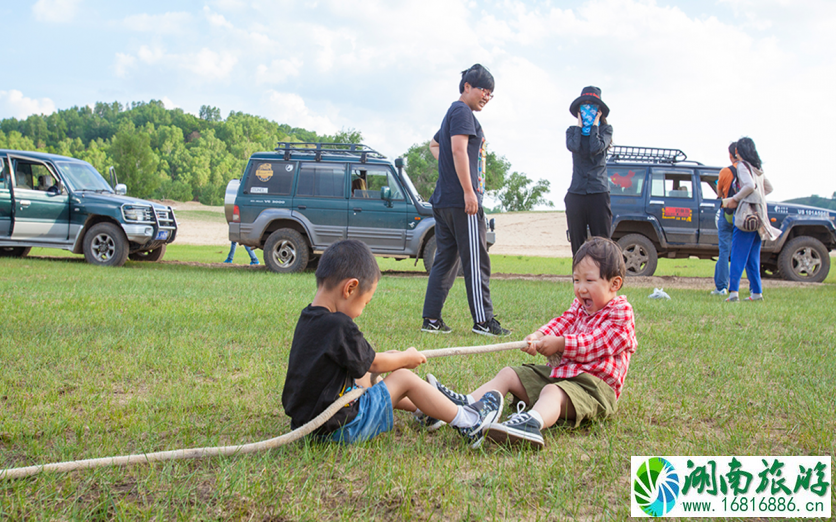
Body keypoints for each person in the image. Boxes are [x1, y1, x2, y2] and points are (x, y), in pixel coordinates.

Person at [281, 239, 504, 448]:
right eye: (365, 302)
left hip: (308, 425)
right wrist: (406, 358)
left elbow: (357, 363)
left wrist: (392, 356)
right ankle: (470, 422)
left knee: (366, 377)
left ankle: (427, 410)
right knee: (403, 378)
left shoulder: (308, 317)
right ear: (350, 288)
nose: (361, 311)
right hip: (339, 428)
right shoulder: (339, 324)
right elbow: (375, 364)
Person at [423, 237, 637, 449]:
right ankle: (467, 407)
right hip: (563, 377)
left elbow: (595, 343)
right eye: (576, 280)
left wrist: (560, 343)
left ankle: (531, 423)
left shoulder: (621, 312)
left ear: (614, 283)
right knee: (509, 374)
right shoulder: (580, 307)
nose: (580, 288)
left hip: (594, 389)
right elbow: (563, 322)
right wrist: (538, 335)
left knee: (552, 392)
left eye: (589, 281)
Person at [421, 64, 510, 337]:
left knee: (446, 259)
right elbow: (459, 150)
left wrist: (449, 170)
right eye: (484, 89)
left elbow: (435, 145)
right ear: (467, 87)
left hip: (444, 200)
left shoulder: (454, 112)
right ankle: (483, 321)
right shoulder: (462, 112)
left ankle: (431, 319)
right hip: (462, 202)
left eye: (491, 93)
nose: (486, 96)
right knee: (475, 258)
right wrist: (469, 191)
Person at [721, 137, 781, 302]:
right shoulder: (757, 168)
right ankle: (756, 293)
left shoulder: (742, 166)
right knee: (753, 257)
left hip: (746, 217)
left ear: (738, 152)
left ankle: (733, 293)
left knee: (737, 255)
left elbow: (749, 186)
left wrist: (737, 199)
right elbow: (768, 188)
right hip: (760, 217)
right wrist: (756, 199)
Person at [565, 86, 614, 256]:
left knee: (602, 245)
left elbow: (596, 147)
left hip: (598, 193)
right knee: (577, 245)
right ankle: (578, 280)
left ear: (599, 110)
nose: (587, 108)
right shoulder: (572, 132)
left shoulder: (606, 131)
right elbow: (573, 146)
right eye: (584, 105)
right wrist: (579, 126)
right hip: (576, 192)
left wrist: (594, 125)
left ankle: (602, 281)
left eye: (591, 105)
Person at [711, 141, 739, 296]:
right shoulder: (748, 172)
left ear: (730, 155)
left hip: (727, 212)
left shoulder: (725, 172)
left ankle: (721, 286)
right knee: (738, 251)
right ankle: (737, 286)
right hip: (743, 214)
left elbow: (720, 193)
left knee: (724, 251)